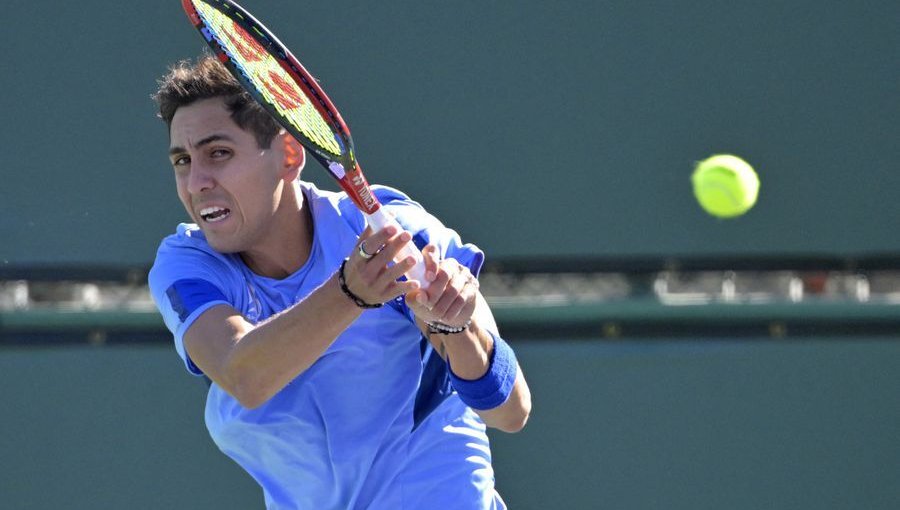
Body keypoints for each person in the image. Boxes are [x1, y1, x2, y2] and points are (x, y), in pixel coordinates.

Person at [148, 56, 532, 510]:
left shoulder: (395, 228)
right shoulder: (189, 264)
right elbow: (244, 375)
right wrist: (351, 292)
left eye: (218, 153)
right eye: (182, 161)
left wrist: (452, 325)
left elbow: (509, 410)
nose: (196, 182)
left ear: (289, 156)